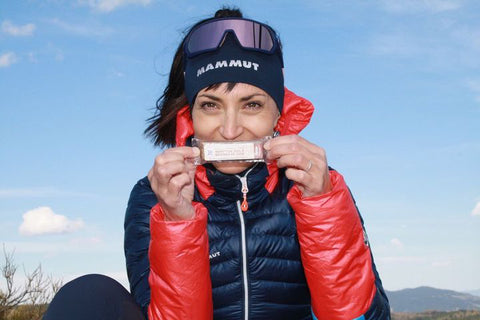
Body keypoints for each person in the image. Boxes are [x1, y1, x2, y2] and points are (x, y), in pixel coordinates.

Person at [44, 7, 390, 320]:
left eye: (251, 104)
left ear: (278, 114)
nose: (229, 130)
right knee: (88, 295)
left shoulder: (319, 185)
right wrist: (177, 221)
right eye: (210, 105)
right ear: (190, 115)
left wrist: (323, 207)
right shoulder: (152, 197)